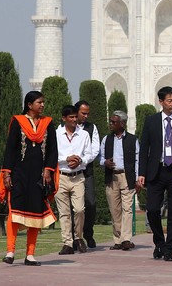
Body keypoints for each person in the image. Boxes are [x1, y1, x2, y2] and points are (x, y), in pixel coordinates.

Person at [0, 91, 57, 266]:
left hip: (39, 176)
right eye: (39, 102)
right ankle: (10, 251)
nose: (43, 105)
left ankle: (30, 254)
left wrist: (48, 171)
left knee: (35, 213)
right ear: (29, 105)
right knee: (14, 212)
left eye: (43, 102)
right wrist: (7, 173)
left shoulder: (48, 124)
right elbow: (11, 149)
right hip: (19, 175)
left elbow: (53, 150)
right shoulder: (18, 122)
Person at [138, 86, 172, 261]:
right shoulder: (151, 121)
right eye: (169, 100)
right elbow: (144, 149)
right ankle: (159, 241)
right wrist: (141, 173)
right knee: (152, 210)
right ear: (161, 102)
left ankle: (169, 248)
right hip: (156, 172)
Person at [100, 110, 141, 251]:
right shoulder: (107, 139)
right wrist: (104, 162)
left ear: (122, 123)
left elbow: (137, 160)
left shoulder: (132, 139)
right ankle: (118, 240)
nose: (111, 124)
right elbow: (100, 157)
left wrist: (137, 179)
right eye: (110, 121)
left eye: (114, 122)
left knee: (127, 209)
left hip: (126, 176)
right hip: (112, 177)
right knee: (115, 210)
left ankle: (126, 239)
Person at [55, 105, 93, 255]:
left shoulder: (83, 134)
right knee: (64, 212)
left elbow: (89, 155)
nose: (74, 120)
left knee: (79, 210)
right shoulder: (56, 134)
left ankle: (78, 237)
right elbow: (51, 156)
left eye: (75, 117)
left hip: (78, 176)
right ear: (64, 118)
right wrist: (66, 159)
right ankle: (67, 243)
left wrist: (80, 161)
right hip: (61, 176)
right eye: (71, 117)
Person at [76, 100, 100, 249]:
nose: (85, 116)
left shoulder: (91, 128)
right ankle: (75, 237)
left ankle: (88, 233)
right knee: (75, 207)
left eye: (87, 113)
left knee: (90, 203)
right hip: (70, 170)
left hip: (86, 170)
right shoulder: (65, 128)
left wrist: (82, 161)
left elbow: (95, 149)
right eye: (83, 113)